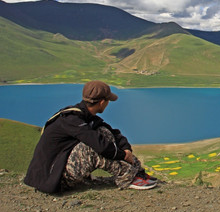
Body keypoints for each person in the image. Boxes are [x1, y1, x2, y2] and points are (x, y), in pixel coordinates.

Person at [24, 80, 157, 193]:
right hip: (52, 179)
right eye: (108, 100)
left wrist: (126, 150)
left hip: (61, 169)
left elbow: (112, 132)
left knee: (103, 131)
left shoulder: (84, 116)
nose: (108, 103)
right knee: (92, 149)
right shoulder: (71, 119)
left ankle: (137, 171)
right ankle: (128, 177)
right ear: (102, 102)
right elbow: (100, 146)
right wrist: (122, 155)